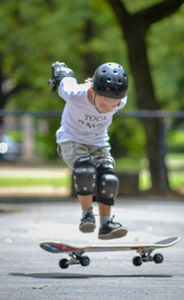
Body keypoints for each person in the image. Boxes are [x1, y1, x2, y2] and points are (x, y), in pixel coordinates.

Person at [51, 61, 129, 240]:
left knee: (108, 178)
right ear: (93, 91)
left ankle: (106, 225)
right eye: (103, 105)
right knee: (85, 170)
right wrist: (61, 68)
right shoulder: (74, 93)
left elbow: (110, 96)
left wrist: (101, 91)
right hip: (71, 140)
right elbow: (64, 77)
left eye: (112, 106)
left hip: (99, 143)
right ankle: (87, 215)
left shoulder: (121, 100)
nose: (107, 110)